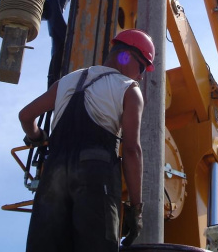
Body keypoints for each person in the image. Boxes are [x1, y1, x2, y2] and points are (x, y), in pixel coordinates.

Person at [19, 29, 155, 252]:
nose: (140, 75)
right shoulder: (129, 89)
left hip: (53, 174)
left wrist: (37, 137)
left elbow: (25, 116)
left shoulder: (66, 81)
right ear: (126, 57)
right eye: (141, 67)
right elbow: (131, 150)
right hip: (95, 174)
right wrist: (136, 209)